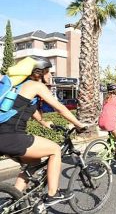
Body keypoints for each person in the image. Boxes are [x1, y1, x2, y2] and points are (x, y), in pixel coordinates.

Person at [0, 56, 87, 207]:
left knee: (33, 163)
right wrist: (78, 124)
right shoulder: (36, 86)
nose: (51, 76)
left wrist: (45, 123)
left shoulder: (20, 87)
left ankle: (14, 200)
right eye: (49, 72)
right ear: (41, 72)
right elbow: (60, 108)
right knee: (54, 150)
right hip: (12, 137)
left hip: (4, 137)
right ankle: (53, 194)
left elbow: (29, 111)